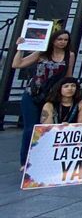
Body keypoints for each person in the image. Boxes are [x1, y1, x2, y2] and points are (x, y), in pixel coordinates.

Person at [13, 29, 75, 169]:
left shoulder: (69, 55)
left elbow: (69, 76)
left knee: (49, 127)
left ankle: (42, 159)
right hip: (33, 93)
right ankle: (25, 161)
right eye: (59, 39)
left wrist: (69, 93)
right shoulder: (42, 53)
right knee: (30, 128)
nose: (62, 42)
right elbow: (17, 64)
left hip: (52, 96)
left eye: (65, 40)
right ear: (53, 40)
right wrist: (20, 48)